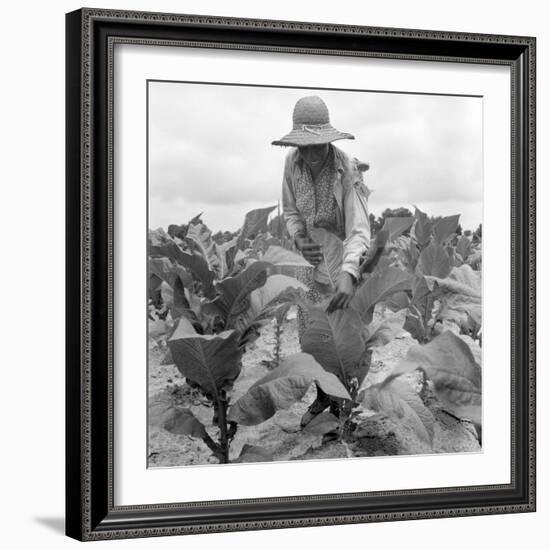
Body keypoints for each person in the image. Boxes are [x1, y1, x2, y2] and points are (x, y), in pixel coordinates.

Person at [272, 95, 371, 427]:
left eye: (318, 145)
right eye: (305, 146)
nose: (312, 153)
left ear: (328, 139)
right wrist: (299, 237)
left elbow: (359, 229)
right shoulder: (292, 162)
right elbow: (289, 210)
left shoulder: (347, 168)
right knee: (311, 334)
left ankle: (345, 403)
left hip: (341, 263)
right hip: (308, 263)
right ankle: (322, 395)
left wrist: (349, 271)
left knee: (343, 336)